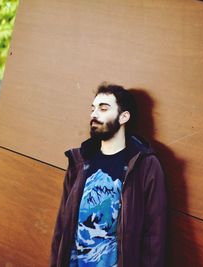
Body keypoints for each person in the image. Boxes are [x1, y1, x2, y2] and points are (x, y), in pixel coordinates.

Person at [50, 82, 167, 267]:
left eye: (103, 108)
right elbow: (61, 226)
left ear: (124, 117)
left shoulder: (145, 166)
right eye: (93, 108)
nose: (94, 114)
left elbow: (154, 236)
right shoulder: (80, 161)